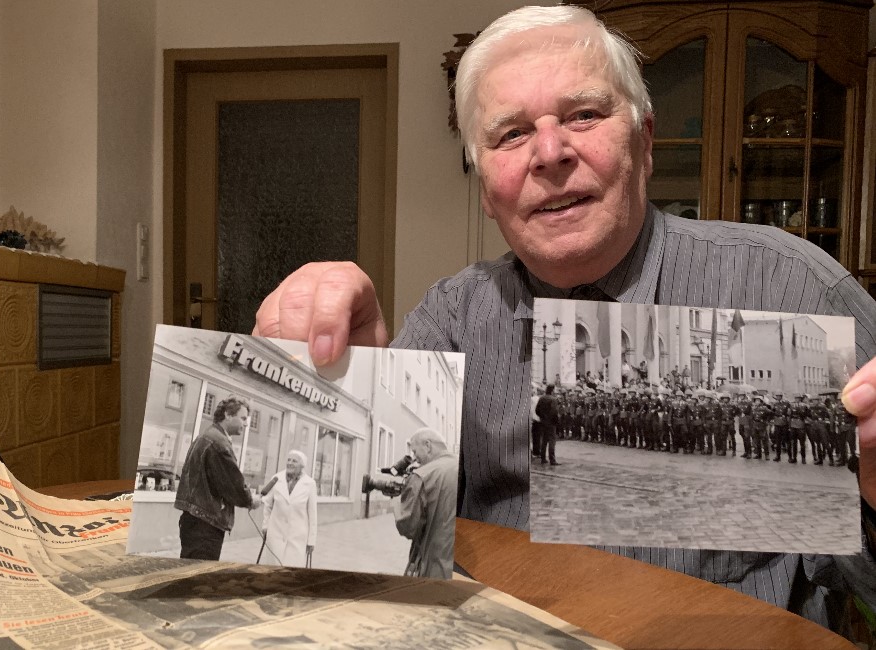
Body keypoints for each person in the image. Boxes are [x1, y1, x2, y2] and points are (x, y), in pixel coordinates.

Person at [253, 5, 876, 637]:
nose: (550, 153)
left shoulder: (791, 288)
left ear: (645, 141)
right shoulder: (453, 318)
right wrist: (337, 388)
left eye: (584, 114)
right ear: (485, 188)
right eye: (511, 134)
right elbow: (369, 552)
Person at [174, 397, 262, 560]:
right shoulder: (219, 443)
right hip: (206, 524)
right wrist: (250, 500)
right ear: (228, 415)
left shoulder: (206, 437)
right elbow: (233, 485)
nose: (246, 423)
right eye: (243, 418)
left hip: (193, 519)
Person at [394, 428, 458, 579]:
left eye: (415, 452)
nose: (415, 459)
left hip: (435, 569)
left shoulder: (422, 476)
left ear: (428, 446)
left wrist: (398, 500)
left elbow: (408, 527)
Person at [261, 450, 318, 568]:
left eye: (294, 461)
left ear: (302, 466)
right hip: (275, 533)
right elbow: (268, 504)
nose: (290, 463)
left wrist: (311, 540)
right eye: (288, 460)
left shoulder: (310, 484)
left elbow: (313, 514)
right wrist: (265, 525)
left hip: (297, 537)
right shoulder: (276, 478)